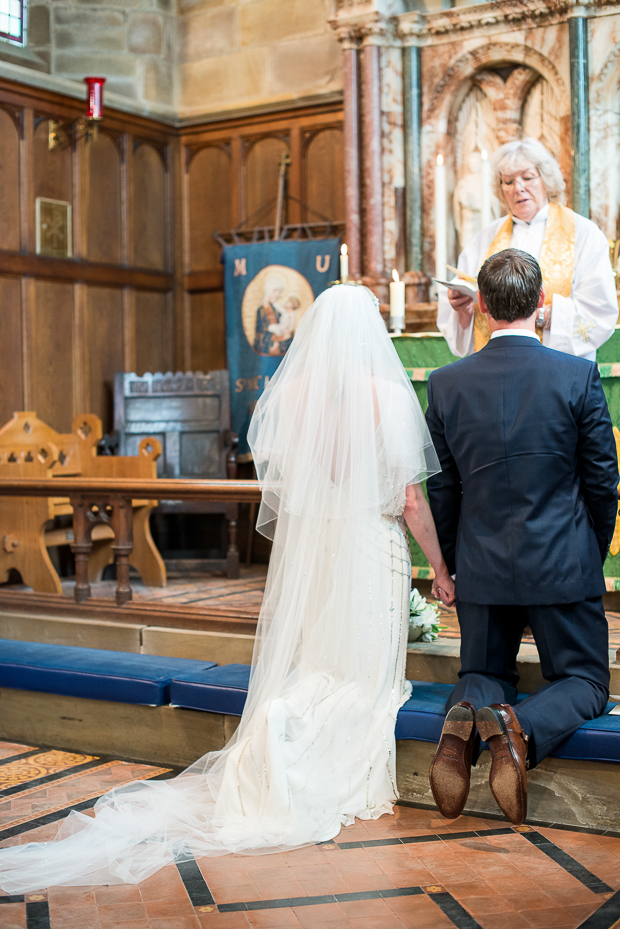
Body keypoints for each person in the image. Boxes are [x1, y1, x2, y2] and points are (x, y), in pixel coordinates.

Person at [0, 283, 454, 893]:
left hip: (316, 549)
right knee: (360, 675)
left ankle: (280, 721)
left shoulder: (289, 394)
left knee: (319, 660)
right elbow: (408, 498)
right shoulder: (387, 397)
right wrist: (441, 568)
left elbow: (284, 484)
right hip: (369, 548)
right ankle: (295, 737)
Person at [426, 248, 618, 826]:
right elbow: (603, 480)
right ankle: (518, 728)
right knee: (584, 680)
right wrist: (590, 549)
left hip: (483, 565)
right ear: (541, 304)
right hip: (562, 561)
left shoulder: (445, 383)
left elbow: (445, 489)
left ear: (481, 307)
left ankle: (465, 722)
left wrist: (455, 565)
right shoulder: (576, 374)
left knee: (482, 673)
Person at [437, 137, 618, 361]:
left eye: (528, 177)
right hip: (497, 368)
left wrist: (540, 316)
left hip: (557, 370)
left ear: (546, 180)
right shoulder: (484, 239)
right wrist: (462, 310)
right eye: (508, 182)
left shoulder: (584, 234)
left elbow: (599, 310)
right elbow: (459, 312)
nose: (519, 188)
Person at [253, 274, 286, 355]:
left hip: (279, 342)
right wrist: (271, 330)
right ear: (271, 291)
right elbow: (260, 330)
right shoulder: (261, 310)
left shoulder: (277, 309)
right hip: (267, 343)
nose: (279, 295)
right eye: (278, 292)